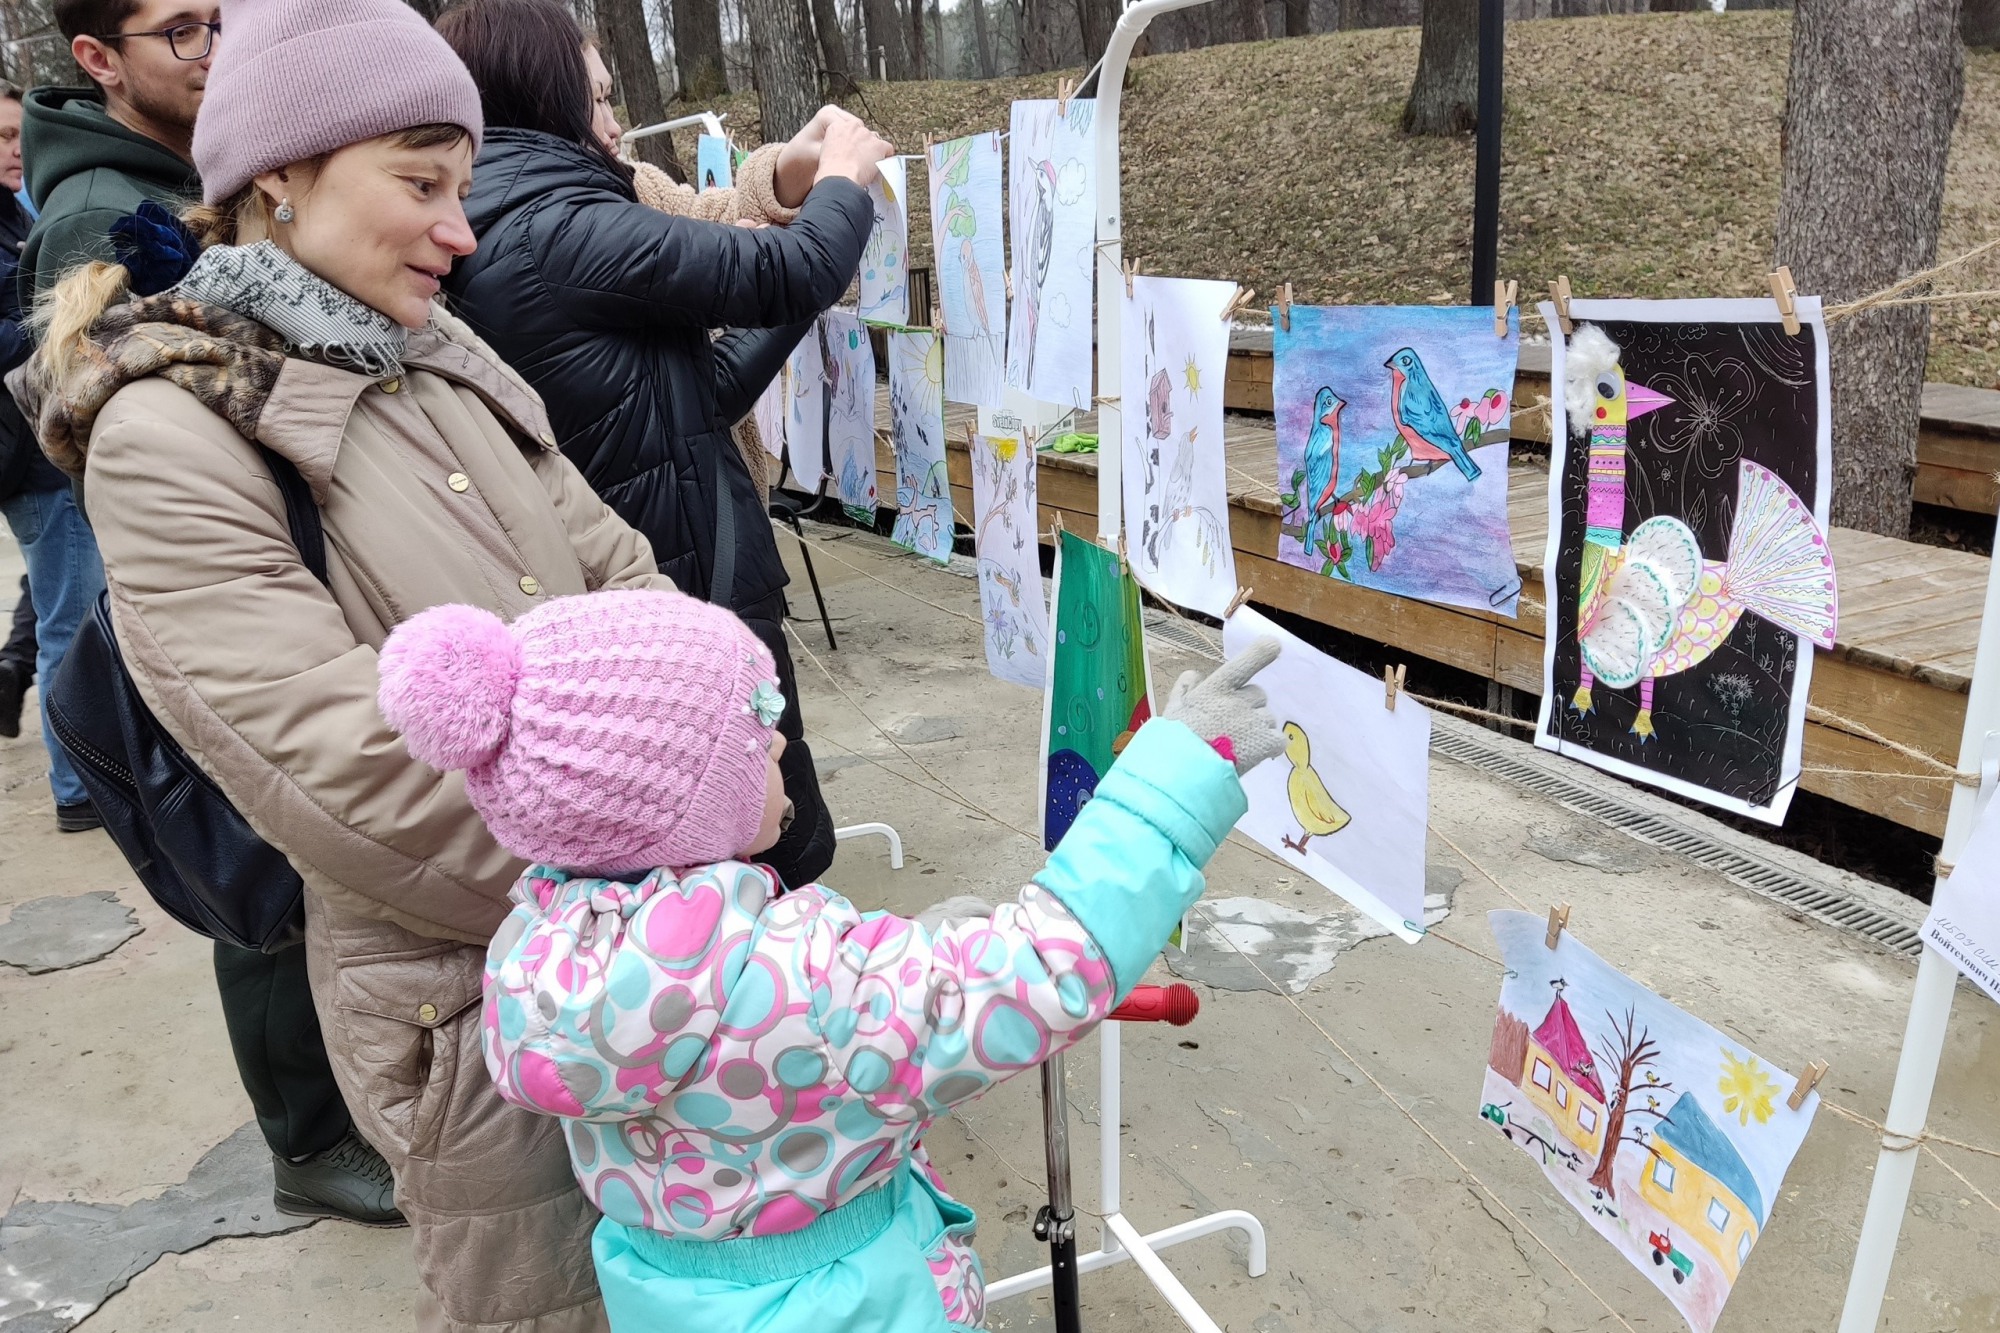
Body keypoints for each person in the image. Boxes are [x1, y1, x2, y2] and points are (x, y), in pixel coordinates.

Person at [19, 0, 672, 1321]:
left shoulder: (437, 346)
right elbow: (343, 776)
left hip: (647, 957)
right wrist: (665, 849)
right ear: (279, 175)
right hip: (481, 1017)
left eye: (465, 185)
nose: (461, 228)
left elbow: (624, 572)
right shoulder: (171, 433)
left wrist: (735, 745)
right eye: (421, 181)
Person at [372, 587, 1285, 1333]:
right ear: (669, 804)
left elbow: (769, 1029)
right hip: (855, 1305)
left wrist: (900, 951)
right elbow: (1042, 966)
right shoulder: (805, 975)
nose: (778, 739)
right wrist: (1174, 777)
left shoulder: (535, 950)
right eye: (755, 721)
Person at [11, 0, 398, 1229]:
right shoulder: (92, 211)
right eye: (180, 28)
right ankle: (308, 1137)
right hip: (201, 578)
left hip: (270, 546)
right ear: (97, 58)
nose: (214, 47)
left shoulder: (182, 165)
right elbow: (122, 426)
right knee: (264, 864)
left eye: (221, 19)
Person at [437, 0, 889, 892]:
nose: (614, 122)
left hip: (676, 557)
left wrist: (792, 182)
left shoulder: (528, 205)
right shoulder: (552, 225)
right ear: (547, 97)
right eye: (598, 98)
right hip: (682, 575)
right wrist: (842, 184)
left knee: (696, 852)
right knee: (761, 837)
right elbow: (780, 269)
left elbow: (694, 376)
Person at [1, 83, 43, 742]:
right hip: (23, 449)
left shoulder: (16, 208)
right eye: (2, 138)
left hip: (40, 439)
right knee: (71, 616)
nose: (17, 149)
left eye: (17, 135)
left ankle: (12, 668)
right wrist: (63, 321)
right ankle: (76, 790)